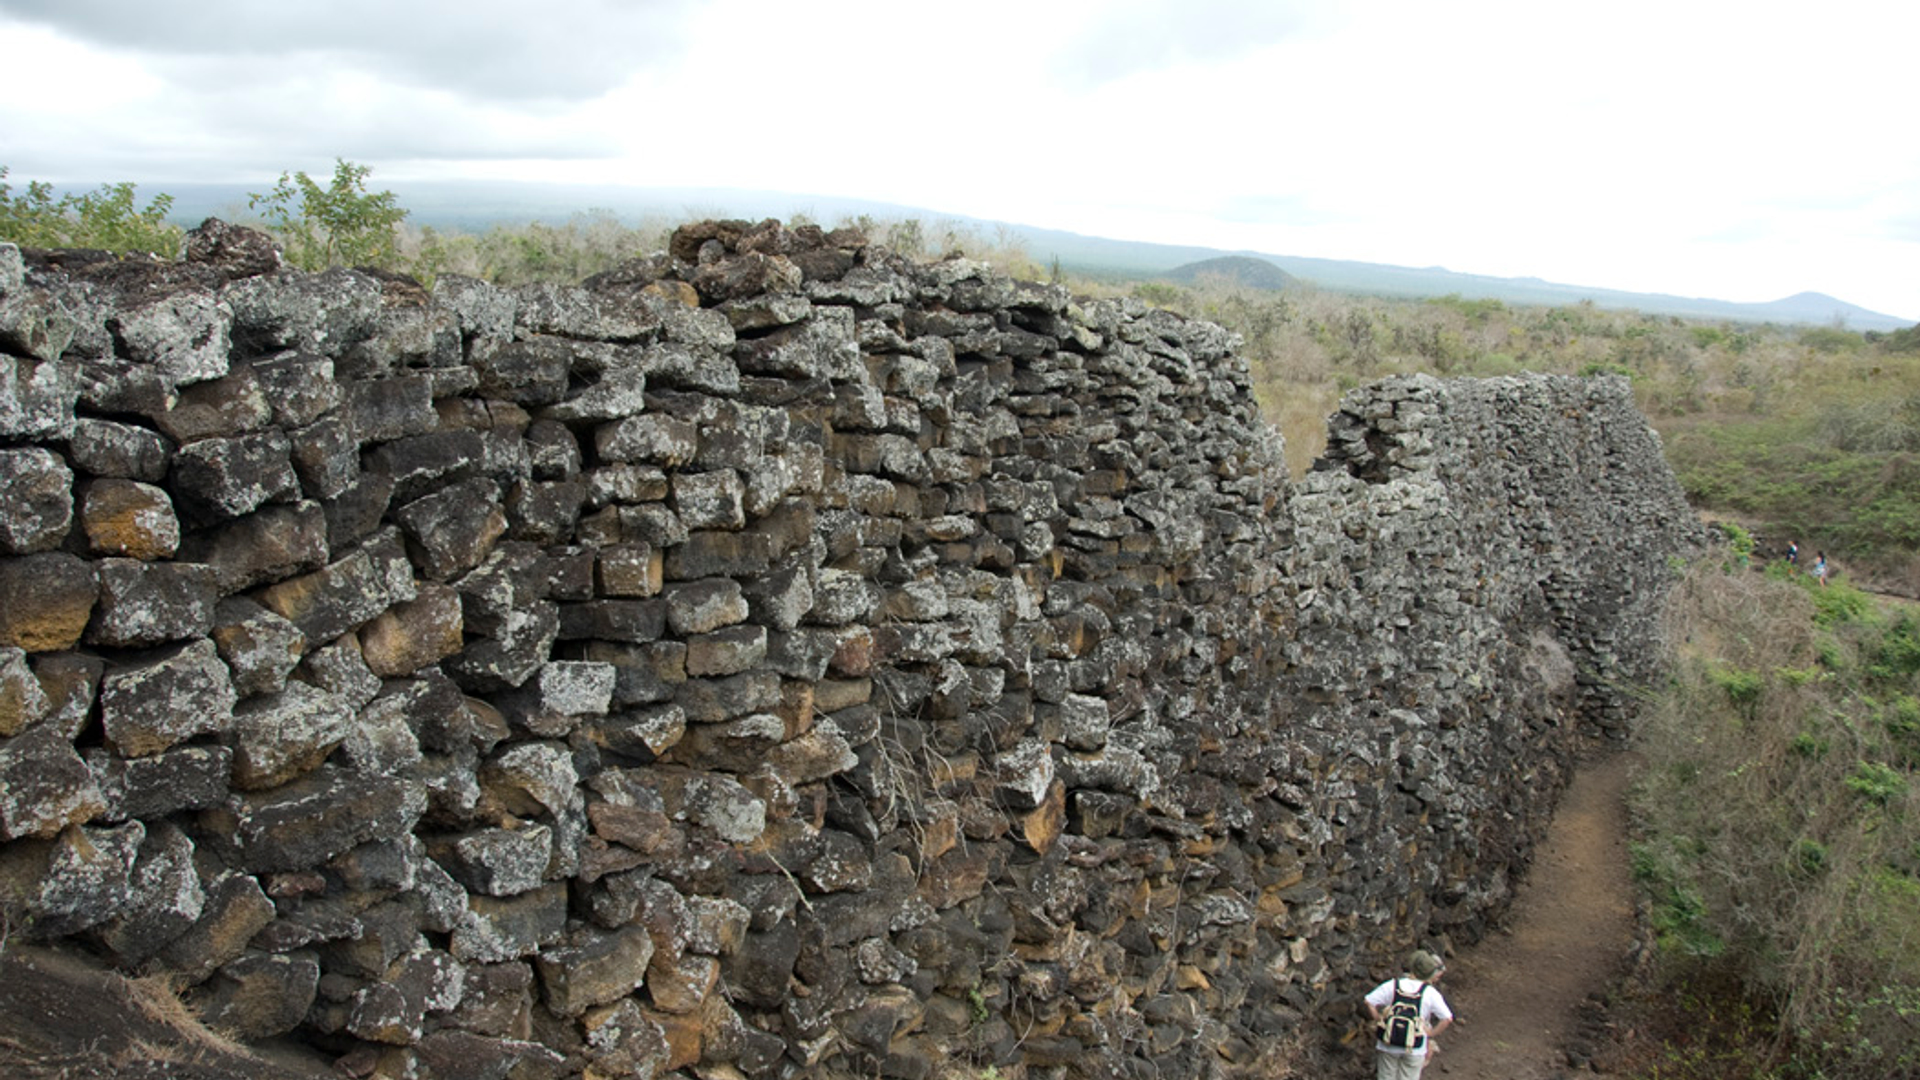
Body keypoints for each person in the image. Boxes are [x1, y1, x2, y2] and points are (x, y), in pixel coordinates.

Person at [1364, 950, 1455, 1080]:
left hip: (1389, 1043)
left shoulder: (1393, 985)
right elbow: (1447, 1019)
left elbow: (1369, 1001)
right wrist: (1431, 1033)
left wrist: (1379, 1018)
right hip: (1415, 1046)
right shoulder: (1430, 992)